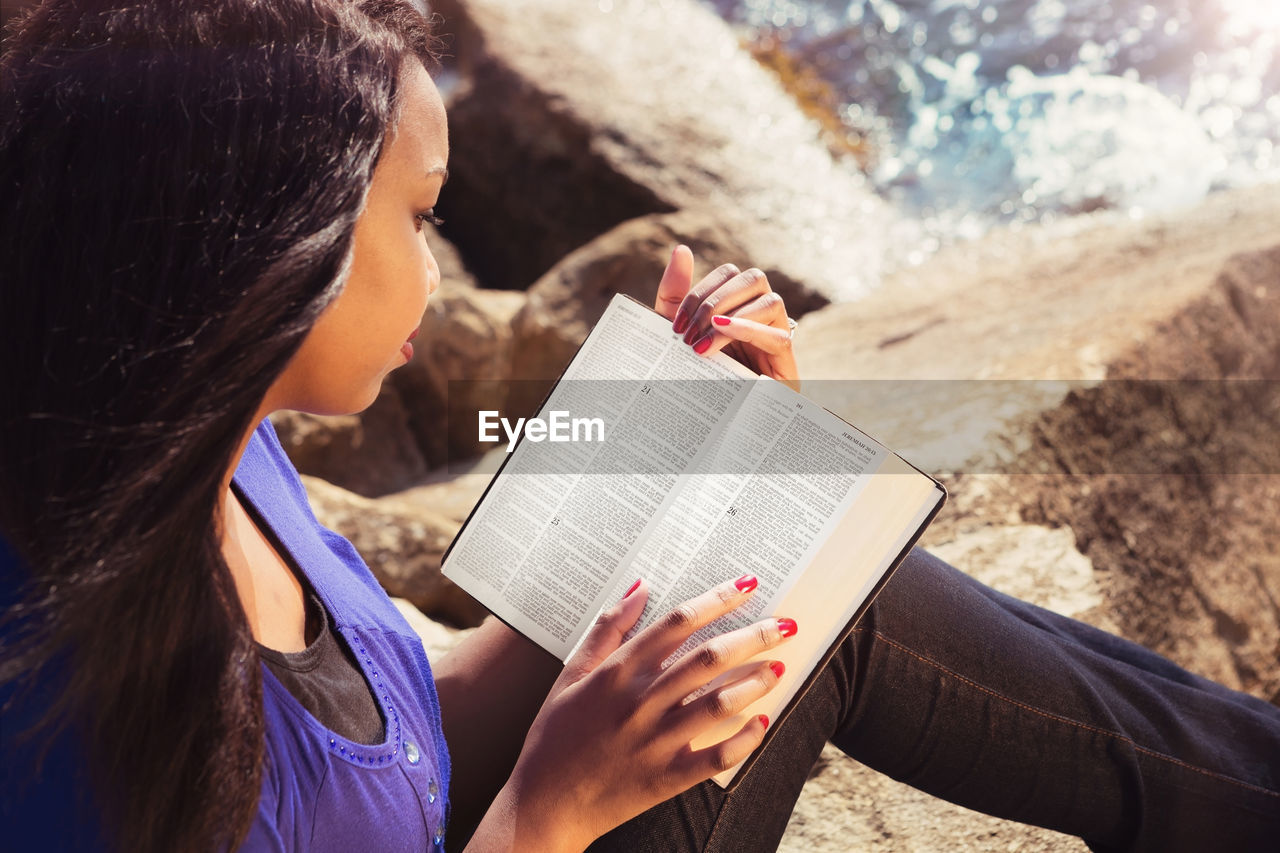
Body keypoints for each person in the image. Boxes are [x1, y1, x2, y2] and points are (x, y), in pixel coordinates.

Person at [0, 1, 1277, 851]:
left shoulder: (215, 458)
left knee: (776, 556)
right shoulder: (69, 701)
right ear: (267, 249)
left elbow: (402, 724)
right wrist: (551, 812)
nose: (435, 273)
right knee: (795, 602)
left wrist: (668, 459)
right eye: (419, 215)